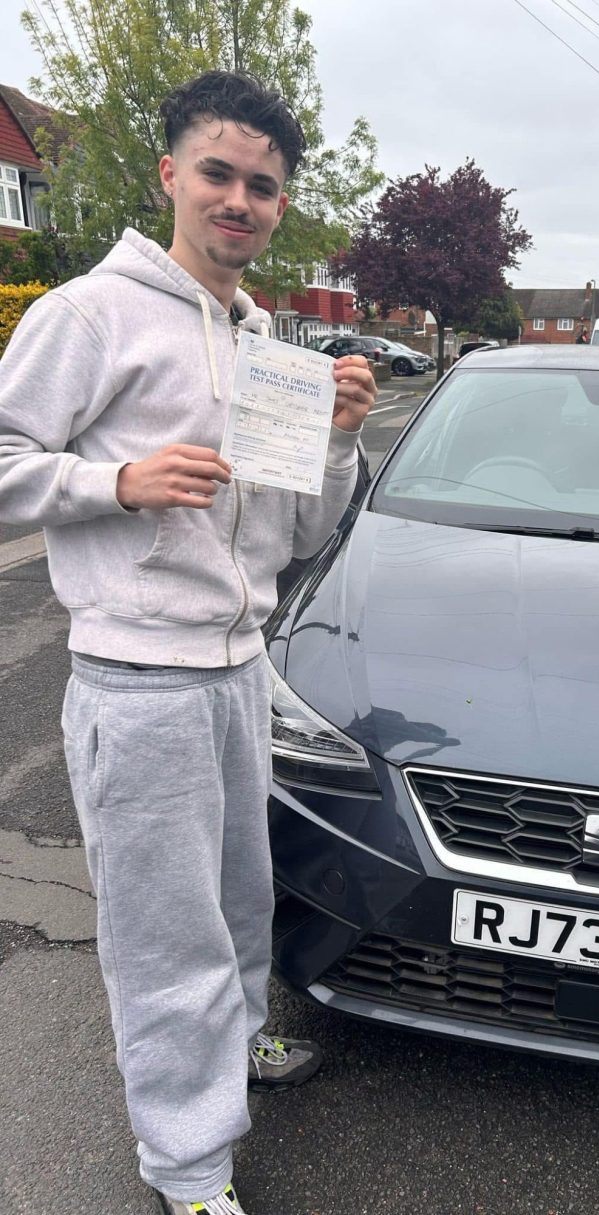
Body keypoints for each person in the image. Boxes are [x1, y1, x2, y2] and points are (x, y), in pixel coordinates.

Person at [0, 71, 376, 1215]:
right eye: (217, 173)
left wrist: (336, 443)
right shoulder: (89, 316)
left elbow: (299, 534)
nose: (238, 200)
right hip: (138, 683)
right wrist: (115, 481)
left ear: (278, 204)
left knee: (238, 904)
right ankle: (189, 1166)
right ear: (170, 174)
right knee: (165, 941)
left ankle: (237, 1043)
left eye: (260, 185)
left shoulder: (268, 345)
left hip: (237, 673)